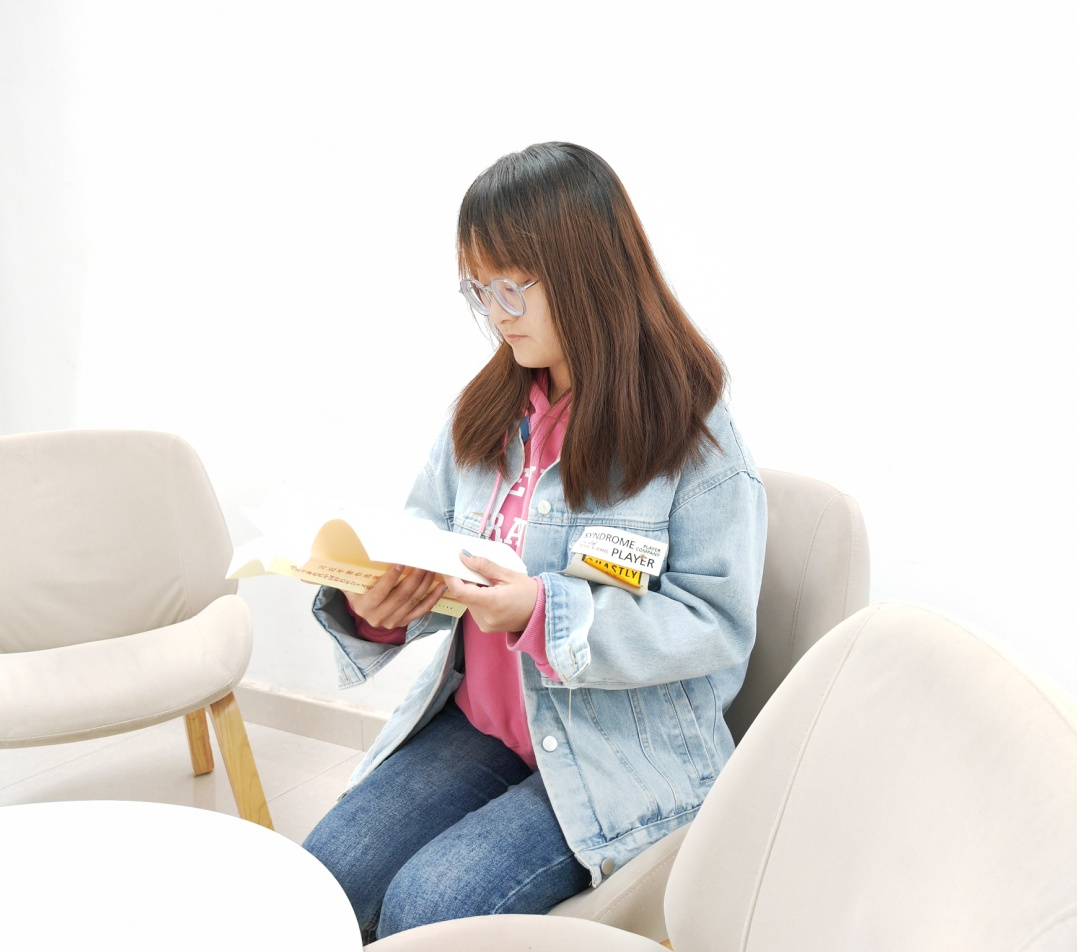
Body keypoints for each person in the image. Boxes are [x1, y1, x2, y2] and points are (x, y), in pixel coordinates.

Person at [302, 141, 767, 942]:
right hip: (483, 727)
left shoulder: (692, 435)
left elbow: (716, 624)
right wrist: (380, 606)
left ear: (589, 272)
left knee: (429, 908)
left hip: (614, 753)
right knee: (326, 875)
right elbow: (424, 544)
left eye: (511, 286)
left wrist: (542, 613)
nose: (496, 312)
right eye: (478, 289)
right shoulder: (483, 412)